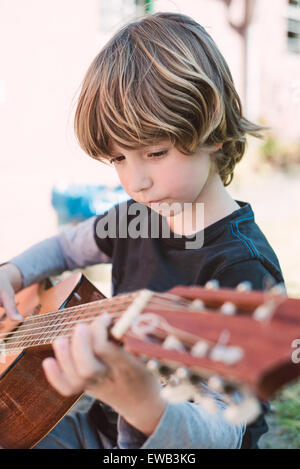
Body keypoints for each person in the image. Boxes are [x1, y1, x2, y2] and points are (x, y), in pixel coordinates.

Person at [0, 12, 284, 449]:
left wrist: (145, 405)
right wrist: (13, 274)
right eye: (118, 160)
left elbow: (226, 432)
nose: (136, 182)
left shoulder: (241, 266)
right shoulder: (136, 214)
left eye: (154, 152)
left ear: (214, 133)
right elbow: (64, 247)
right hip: (103, 430)